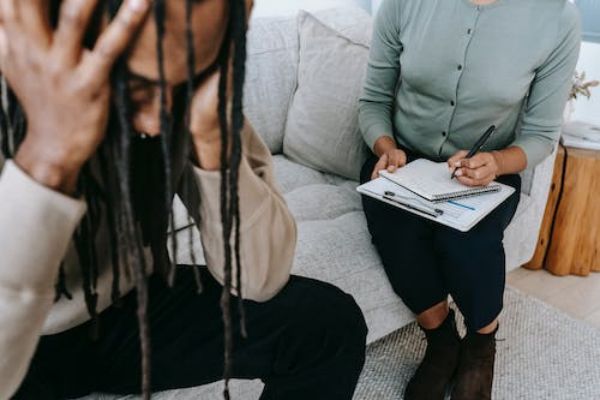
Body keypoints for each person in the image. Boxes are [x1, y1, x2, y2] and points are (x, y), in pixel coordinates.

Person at [0, 1, 368, 399]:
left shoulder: (179, 96)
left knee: (327, 325)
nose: (158, 120)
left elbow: (260, 280)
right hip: (21, 337)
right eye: (138, 87)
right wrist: (47, 160)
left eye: (183, 83)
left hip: (127, 309)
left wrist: (210, 138)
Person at [358, 0, 580, 399]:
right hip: (402, 163)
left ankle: (481, 344)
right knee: (397, 233)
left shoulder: (556, 16)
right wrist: (386, 148)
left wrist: (496, 162)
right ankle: (441, 341)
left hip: (488, 169)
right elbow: (373, 100)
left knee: (466, 242)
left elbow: (541, 134)